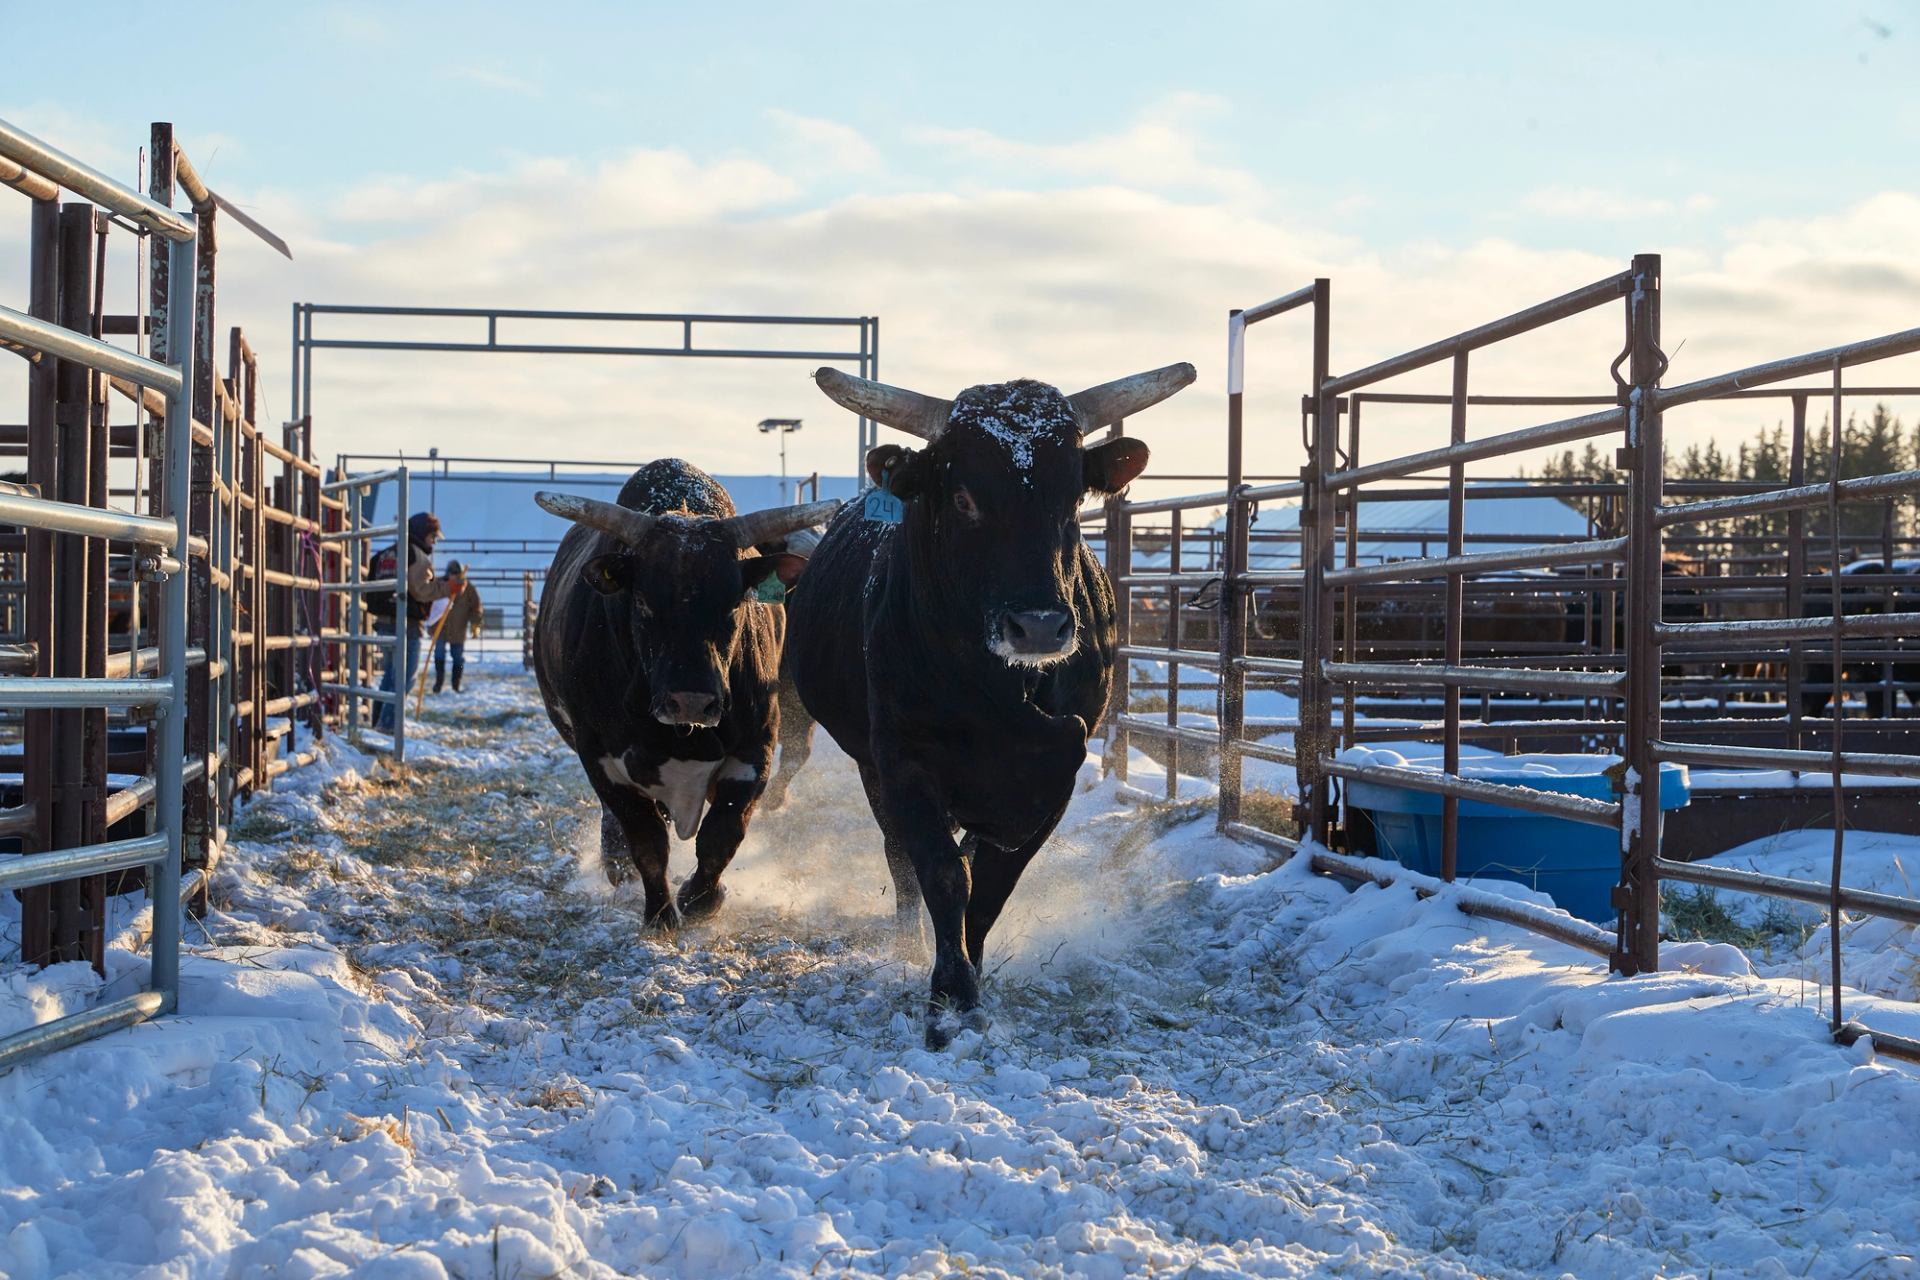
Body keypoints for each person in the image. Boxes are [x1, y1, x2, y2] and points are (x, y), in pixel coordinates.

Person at [368, 511, 451, 732]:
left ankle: (377, 722)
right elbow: (421, 590)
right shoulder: (415, 555)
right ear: (422, 534)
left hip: (384, 623)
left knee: (390, 676)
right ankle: (387, 727)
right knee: (404, 678)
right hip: (406, 625)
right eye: (432, 536)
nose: (433, 541)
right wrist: (447, 587)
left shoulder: (386, 554)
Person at [430, 560, 485, 693]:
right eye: (451, 574)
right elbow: (429, 603)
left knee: (458, 658)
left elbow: (476, 608)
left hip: (458, 630)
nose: (454, 577)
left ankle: (456, 683)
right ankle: (439, 682)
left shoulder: (469, 589)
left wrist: (475, 624)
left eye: (457, 574)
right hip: (440, 628)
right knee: (439, 655)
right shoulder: (440, 585)